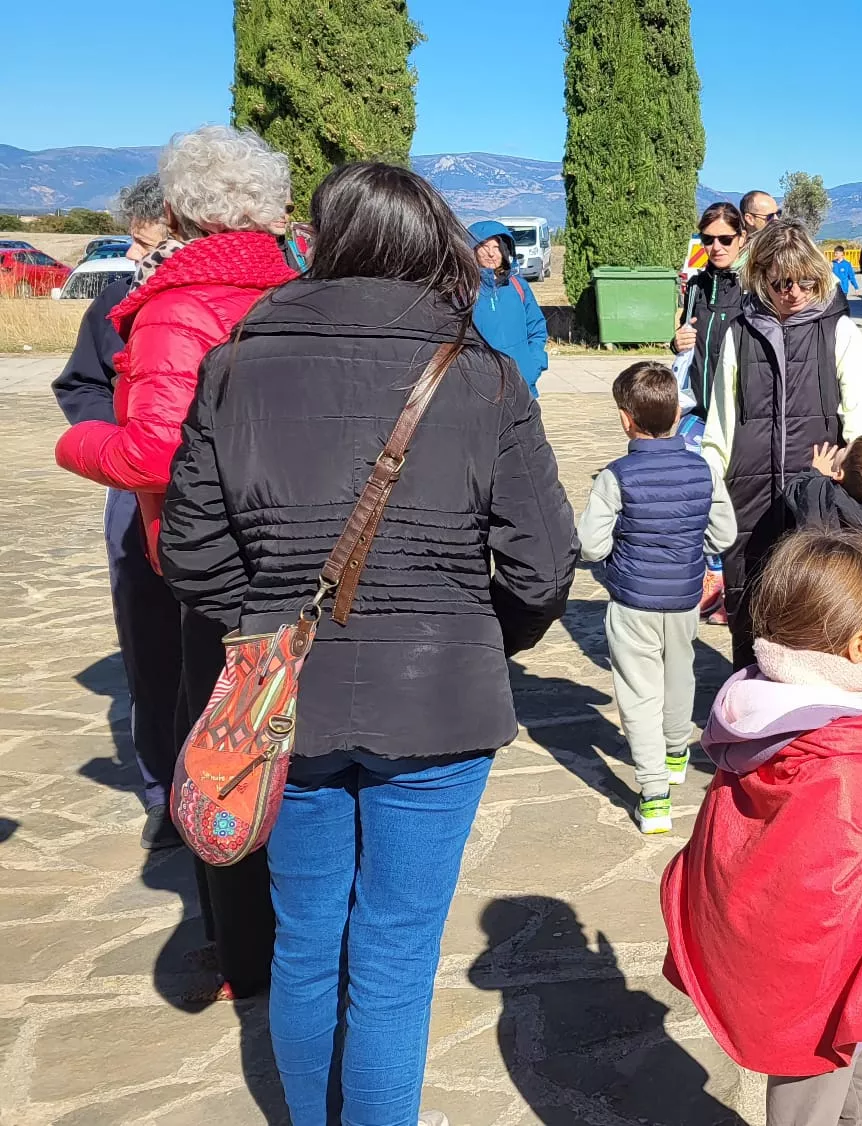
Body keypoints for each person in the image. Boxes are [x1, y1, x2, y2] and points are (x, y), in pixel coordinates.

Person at [158, 160, 576, 1125]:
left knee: (307, 942)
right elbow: (545, 564)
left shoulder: (236, 360)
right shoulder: (479, 374)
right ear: (430, 243)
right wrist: (476, 640)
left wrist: (262, 629)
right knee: (393, 955)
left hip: (284, 703)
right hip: (437, 706)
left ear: (327, 239)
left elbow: (191, 546)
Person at [56, 126, 300, 1001]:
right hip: (302, 554)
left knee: (222, 759)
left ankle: (244, 957)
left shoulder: (178, 302)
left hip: (211, 567)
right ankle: (299, 932)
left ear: (174, 210)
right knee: (291, 754)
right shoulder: (299, 288)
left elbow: (155, 453)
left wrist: (80, 444)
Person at [663, 530, 862, 1126]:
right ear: (856, 648)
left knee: (854, 1075)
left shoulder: (762, 712)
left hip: (779, 951)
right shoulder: (849, 755)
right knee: (809, 1096)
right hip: (821, 974)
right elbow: (858, 903)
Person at [49, 173, 181, 850]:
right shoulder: (113, 304)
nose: (133, 255)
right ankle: (163, 790)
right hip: (136, 497)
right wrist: (119, 442)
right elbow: (80, 383)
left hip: (225, 499)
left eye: (141, 239)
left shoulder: (250, 290)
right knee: (151, 647)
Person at [701, 219, 862, 670]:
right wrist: (713, 487)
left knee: (812, 614)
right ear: (761, 277)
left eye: (805, 281)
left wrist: (848, 490)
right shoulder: (738, 333)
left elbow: (861, 427)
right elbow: (720, 423)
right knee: (750, 611)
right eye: (782, 282)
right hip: (750, 498)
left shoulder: (840, 333)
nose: (794, 292)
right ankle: (746, 711)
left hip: (816, 501)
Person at [575, 361, 737, 835]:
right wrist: (695, 551)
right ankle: (675, 752)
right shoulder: (704, 467)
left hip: (632, 603)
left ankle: (654, 797)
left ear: (626, 418)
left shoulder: (615, 476)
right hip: (685, 596)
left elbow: (590, 545)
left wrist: (609, 568)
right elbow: (723, 532)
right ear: (676, 411)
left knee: (638, 695)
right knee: (679, 672)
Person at [673, 202, 747, 426]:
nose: (716, 247)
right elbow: (690, 344)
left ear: (741, 238)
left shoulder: (755, 287)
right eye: (708, 239)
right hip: (697, 413)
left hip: (740, 418)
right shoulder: (696, 287)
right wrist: (676, 343)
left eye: (725, 239)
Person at [468, 219, 549, 397]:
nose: (491, 253)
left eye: (496, 247)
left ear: (505, 250)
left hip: (522, 387)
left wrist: (532, 365)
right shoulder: (463, 291)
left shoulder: (519, 287)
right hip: (480, 390)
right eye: (484, 246)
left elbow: (537, 329)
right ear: (472, 249)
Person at [782, 433, 862, 550]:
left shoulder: (819, 490)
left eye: (845, 449)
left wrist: (816, 472)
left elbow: (793, 489)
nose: (843, 447)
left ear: (839, 474)